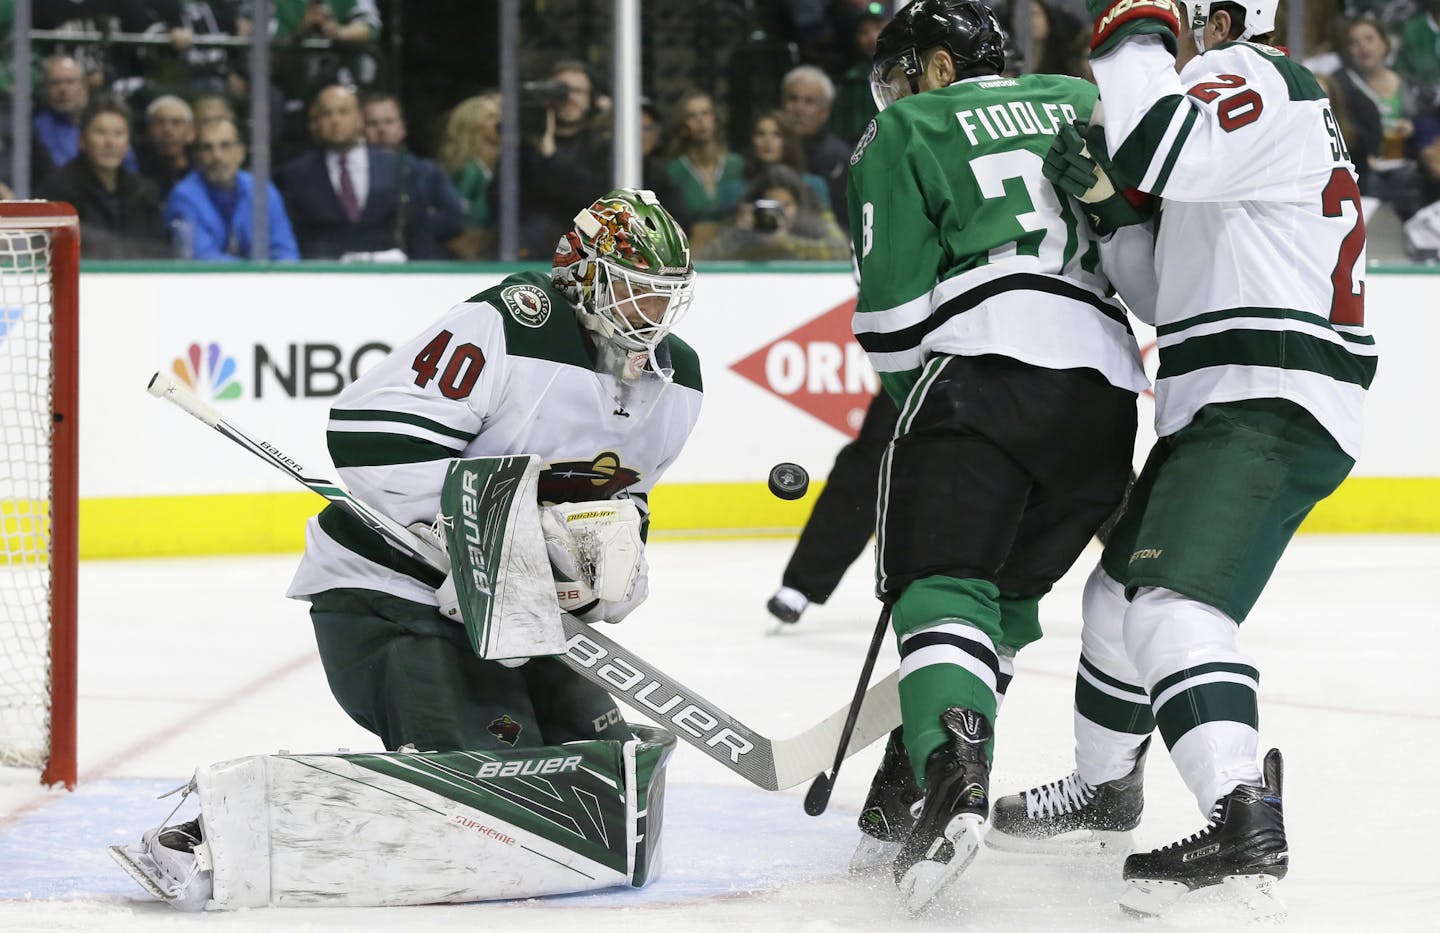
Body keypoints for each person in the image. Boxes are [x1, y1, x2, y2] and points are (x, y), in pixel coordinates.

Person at [112, 189, 699, 911]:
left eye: (664, 299)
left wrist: (611, 565)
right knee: (491, 781)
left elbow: (626, 497)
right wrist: (485, 543)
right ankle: (219, 833)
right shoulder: (513, 323)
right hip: (390, 594)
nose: (650, 317)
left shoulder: (679, 381)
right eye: (633, 292)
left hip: (514, 614)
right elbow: (372, 440)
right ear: (579, 272)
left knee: (598, 756)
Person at [987, 0, 1376, 918]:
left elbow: (1157, 144)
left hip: (1265, 395)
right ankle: (1105, 791)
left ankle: (1242, 813)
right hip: (1233, 396)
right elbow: (1167, 291)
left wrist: (1129, 33)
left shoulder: (1246, 75)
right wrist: (1112, 215)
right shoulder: (1246, 104)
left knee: (1170, 608)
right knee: (1117, 603)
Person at [843, 0, 1147, 911]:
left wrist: (923, 414)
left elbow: (893, 312)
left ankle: (950, 771)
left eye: (903, 70)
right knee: (1004, 595)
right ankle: (914, 769)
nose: (893, 91)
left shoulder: (906, 127)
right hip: (1105, 393)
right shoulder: (1073, 97)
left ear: (939, 66)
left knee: (939, 579)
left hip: (983, 369)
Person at [277, 84, 462, 260]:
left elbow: (416, 228)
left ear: (359, 118)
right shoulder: (296, 174)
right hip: (325, 276)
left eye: (343, 112)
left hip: (389, 275)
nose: (335, 120)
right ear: (316, 123)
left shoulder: (400, 167)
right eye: (327, 114)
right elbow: (292, 233)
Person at [765, 391, 899, 627]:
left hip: (983, 373)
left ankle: (972, 590)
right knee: (865, 469)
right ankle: (803, 584)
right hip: (914, 371)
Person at [37, 94, 168, 259]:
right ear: (82, 140)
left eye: (118, 133)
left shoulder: (145, 192)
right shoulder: (58, 190)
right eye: (100, 132)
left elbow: (159, 251)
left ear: (127, 144)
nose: (110, 142)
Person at [164, 116, 300, 261]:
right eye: (207, 148)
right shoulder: (183, 196)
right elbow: (201, 259)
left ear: (241, 153)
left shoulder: (263, 190)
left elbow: (286, 252)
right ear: (197, 157)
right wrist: (259, 272)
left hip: (264, 281)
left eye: (225, 146)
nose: (217, 156)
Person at [1333, 16, 1427, 215]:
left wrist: (1414, 127)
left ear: (1385, 44)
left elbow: (1427, 125)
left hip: (1406, 166)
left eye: (1369, 39)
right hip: (1364, 170)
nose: (1363, 47)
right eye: (1354, 43)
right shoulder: (1343, 86)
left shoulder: (1410, 86)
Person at [519, 61, 612, 258]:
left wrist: (550, 154)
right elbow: (502, 203)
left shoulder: (604, 147)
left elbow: (593, 199)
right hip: (530, 256)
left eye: (578, 91)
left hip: (588, 256)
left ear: (591, 99)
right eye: (561, 90)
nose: (569, 98)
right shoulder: (525, 147)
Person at [360, 90, 468, 258]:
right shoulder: (350, 176)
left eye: (388, 122)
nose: (381, 129)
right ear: (360, 130)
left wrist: (415, 222)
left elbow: (454, 218)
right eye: (372, 123)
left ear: (402, 128)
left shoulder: (428, 172)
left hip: (419, 267)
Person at [699, 164, 849, 260]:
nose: (779, 212)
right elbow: (707, 259)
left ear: (798, 204)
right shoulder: (746, 223)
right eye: (772, 204)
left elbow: (842, 250)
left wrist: (786, 243)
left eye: (787, 205)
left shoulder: (812, 219)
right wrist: (738, 233)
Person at [782, 64, 854, 233]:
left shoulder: (840, 157)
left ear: (825, 112)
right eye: (793, 99)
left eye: (809, 101)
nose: (799, 109)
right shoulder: (768, 152)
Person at [662, 89, 746, 230]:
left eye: (706, 113)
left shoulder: (736, 166)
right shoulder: (674, 171)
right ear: (683, 126)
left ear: (715, 119)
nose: (701, 121)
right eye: (691, 116)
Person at [438, 92, 502, 259]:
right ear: (472, 124)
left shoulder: (504, 165)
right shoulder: (468, 171)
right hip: (469, 253)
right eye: (491, 117)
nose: (500, 122)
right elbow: (459, 216)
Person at [136, 94, 196, 199]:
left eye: (176, 123)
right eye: (160, 122)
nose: (167, 130)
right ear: (148, 130)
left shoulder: (202, 172)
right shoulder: (135, 172)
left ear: (190, 132)